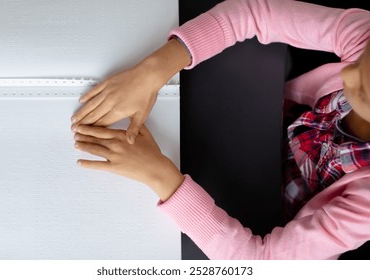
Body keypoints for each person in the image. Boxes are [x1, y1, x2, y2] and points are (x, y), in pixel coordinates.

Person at [70, 0, 370, 259]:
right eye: (363, 60)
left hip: (265, 215)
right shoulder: (366, 34)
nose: (346, 71)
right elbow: (253, 13)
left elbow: (261, 264)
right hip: (266, 114)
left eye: (365, 91)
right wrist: (153, 70)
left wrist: (158, 174)